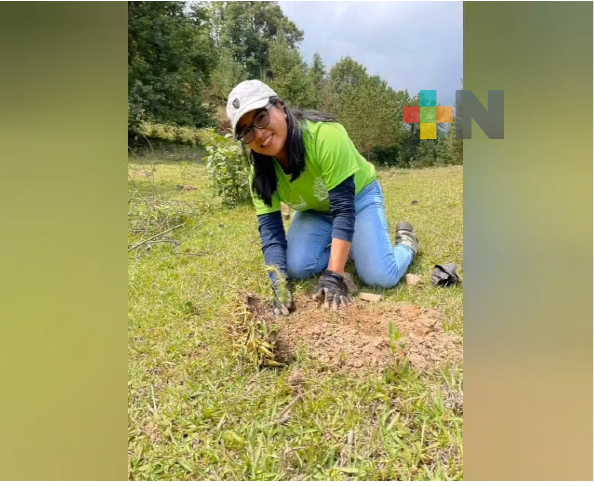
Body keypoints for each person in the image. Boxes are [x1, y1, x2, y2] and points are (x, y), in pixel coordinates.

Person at [226, 80, 419, 314]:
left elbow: (344, 209)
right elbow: (271, 232)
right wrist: (280, 287)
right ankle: (353, 247)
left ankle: (407, 243)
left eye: (260, 118)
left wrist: (333, 275)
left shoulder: (325, 134)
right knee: (295, 266)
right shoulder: (259, 173)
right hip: (315, 211)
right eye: (246, 131)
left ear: (280, 107)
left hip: (358, 199)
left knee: (380, 275)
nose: (259, 134)